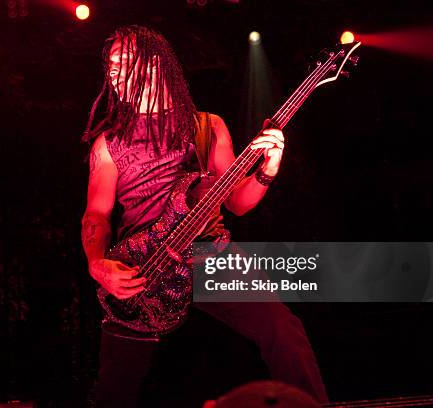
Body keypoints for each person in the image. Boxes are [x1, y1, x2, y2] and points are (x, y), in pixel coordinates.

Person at [80, 25, 327, 407]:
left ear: (156, 63)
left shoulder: (207, 128)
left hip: (210, 256)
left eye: (125, 61)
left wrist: (269, 168)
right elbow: (96, 213)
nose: (114, 72)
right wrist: (99, 264)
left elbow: (238, 203)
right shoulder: (109, 143)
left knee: (282, 329)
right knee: (115, 390)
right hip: (144, 270)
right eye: (110, 66)